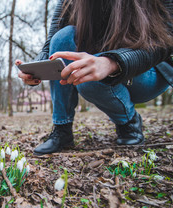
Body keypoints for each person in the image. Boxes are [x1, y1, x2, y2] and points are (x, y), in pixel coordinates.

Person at [16, 0, 173, 156]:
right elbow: (51, 43)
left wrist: (112, 62)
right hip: (100, 61)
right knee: (62, 36)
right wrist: (35, 69)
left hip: (150, 70)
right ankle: (62, 129)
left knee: (88, 79)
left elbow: (165, 43)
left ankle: (129, 122)